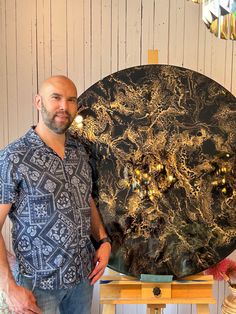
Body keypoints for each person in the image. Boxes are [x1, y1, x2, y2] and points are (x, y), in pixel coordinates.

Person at [0, 75, 111, 314]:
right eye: (56, 98)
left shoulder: (79, 152)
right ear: (38, 102)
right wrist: (8, 287)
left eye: (71, 100)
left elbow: (86, 199)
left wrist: (103, 240)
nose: (64, 106)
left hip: (82, 279)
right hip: (38, 285)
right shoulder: (14, 157)